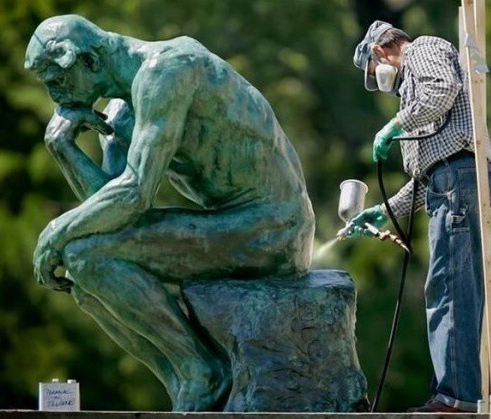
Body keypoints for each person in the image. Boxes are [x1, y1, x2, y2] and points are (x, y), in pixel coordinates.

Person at [25, 14, 315, 411]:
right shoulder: (122, 111)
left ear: (89, 61)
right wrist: (64, 149)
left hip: (272, 227)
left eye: (57, 81)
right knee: (81, 267)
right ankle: (185, 381)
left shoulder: (169, 70)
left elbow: (134, 195)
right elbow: (110, 208)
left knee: (82, 253)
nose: (56, 98)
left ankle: (202, 374)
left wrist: (56, 231)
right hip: (233, 224)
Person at [351, 20, 491, 413]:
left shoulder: (423, 49)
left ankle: (456, 399)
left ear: (380, 52)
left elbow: (441, 91)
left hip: (458, 177)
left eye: (372, 72)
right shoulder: (415, 90)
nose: (382, 83)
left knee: (450, 286)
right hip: (449, 180)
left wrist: (395, 124)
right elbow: (424, 178)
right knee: (449, 287)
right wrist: (383, 213)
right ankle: (451, 394)